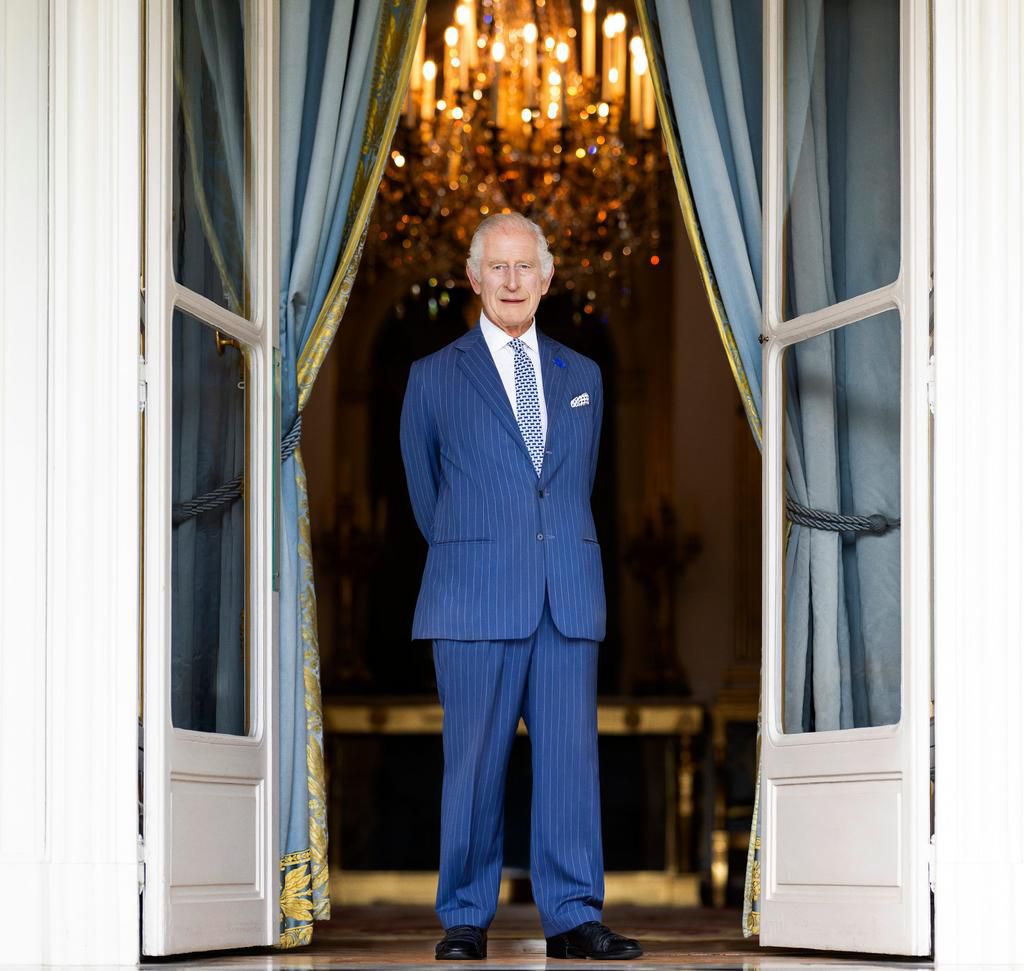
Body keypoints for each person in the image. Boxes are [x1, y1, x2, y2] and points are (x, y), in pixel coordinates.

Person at [400, 212, 643, 962]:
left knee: (571, 761)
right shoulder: (434, 376)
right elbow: (423, 491)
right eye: (496, 268)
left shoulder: (584, 376)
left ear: (546, 277)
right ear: (473, 278)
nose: (511, 281)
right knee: (472, 762)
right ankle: (466, 916)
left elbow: (574, 483)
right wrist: (482, 549)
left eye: (523, 267)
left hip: (566, 594)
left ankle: (572, 915)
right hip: (473, 594)